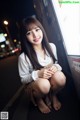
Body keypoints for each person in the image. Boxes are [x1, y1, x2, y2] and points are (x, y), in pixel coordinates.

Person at [18, 16, 66, 114]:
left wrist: (55, 67)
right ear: (25, 37)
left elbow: (57, 63)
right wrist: (37, 74)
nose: (35, 35)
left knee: (60, 77)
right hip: (36, 85)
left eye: (37, 29)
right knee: (44, 85)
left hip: (50, 80)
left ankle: (53, 95)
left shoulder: (51, 47)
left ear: (42, 30)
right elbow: (23, 79)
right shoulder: (23, 57)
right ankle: (39, 100)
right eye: (29, 33)